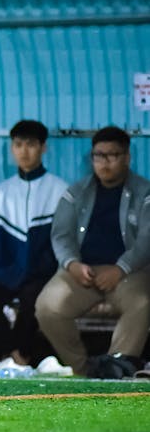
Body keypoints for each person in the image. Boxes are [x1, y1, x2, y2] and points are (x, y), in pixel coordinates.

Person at [36, 126, 150, 376]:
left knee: (143, 305)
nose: (104, 162)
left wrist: (122, 268)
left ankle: (116, 367)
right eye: (99, 156)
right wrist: (71, 264)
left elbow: (146, 239)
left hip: (129, 273)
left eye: (112, 155)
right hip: (81, 272)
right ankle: (83, 369)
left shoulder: (145, 193)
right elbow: (61, 235)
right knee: (47, 306)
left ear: (127, 157)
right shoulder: (75, 193)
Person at [0, 120, 67, 367]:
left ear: (43, 148)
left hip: (43, 273)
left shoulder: (60, 191)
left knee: (33, 299)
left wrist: (43, 268)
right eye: (18, 145)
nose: (24, 151)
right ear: (12, 148)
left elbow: (65, 240)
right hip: (7, 272)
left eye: (31, 145)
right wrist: (6, 269)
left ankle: (21, 357)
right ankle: (7, 355)